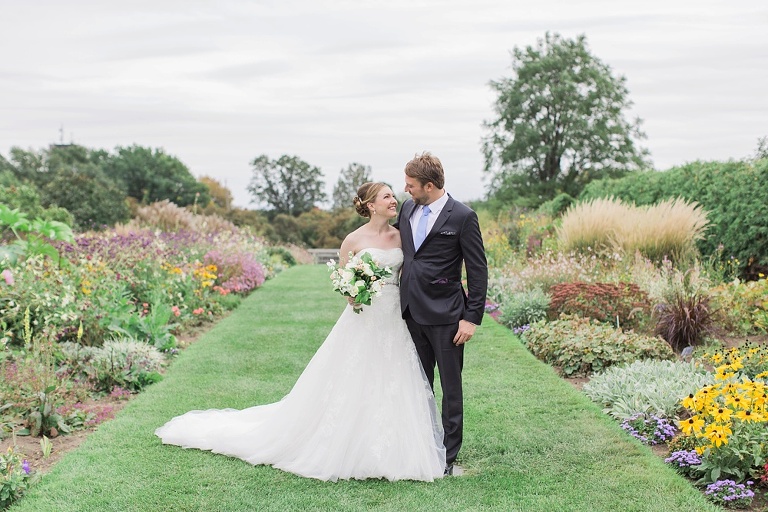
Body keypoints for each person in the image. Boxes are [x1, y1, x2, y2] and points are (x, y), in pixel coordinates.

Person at [155, 182, 446, 482]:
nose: (394, 200)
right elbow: (344, 280)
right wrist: (353, 293)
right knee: (356, 375)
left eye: (392, 195)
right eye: (387, 196)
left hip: (394, 316)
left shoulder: (401, 236)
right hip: (364, 317)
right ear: (371, 205)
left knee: (394, 376)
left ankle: (395, 448)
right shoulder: (353, 239)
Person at [396, 152, 488, 476]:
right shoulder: (407, 209)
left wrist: (471, 318)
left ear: (429, 185)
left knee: (450, 389)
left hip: (448, 316)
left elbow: (478, 270)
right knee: (418, 385)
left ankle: (447, 457)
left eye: (411, 185)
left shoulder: (463, 216)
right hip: (410, 312)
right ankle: (422, 447)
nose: (405, 189)